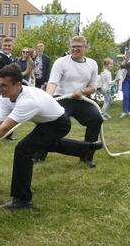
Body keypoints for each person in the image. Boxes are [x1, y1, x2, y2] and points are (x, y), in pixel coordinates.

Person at [0, 64, 101, 209]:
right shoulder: (5, 96)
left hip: (59, 123)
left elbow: (5, 128)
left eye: (4, 85)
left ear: (17, 84)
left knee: (24, 149)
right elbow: (0, 124)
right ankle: (86, 149)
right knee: (48, 144)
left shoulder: (28, 101)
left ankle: (22, 199)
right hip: (46, 122)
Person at [43, 35, 102, 168]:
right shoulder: (61, 62)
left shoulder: (92, 64)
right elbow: (52, 82)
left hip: (81, 99)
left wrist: (81, 91)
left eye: (78, 47)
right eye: (72, 46)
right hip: (62, 97)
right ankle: (40, 154)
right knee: (56, 122)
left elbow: (93, 87)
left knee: (96, 119)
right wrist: (47, 100)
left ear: (85, 48)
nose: (74, 49)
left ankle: (87, 156)